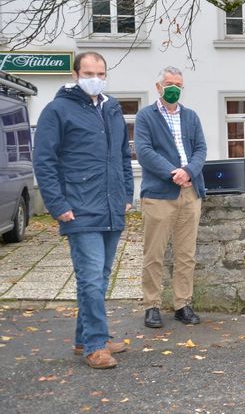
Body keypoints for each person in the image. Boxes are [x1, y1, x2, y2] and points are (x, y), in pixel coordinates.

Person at [33, 51, 134, 369]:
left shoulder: (112, 108)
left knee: (100, 278)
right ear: (76, 74)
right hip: (79, 208)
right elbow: (44, 161)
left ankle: (84, 337)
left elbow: (122, 156)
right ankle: (95, 345)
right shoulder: (57, 110)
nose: (96, 77)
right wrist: (57, 204)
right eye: (89, 72)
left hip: (110, 207)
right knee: (90, 278)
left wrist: (126, 194)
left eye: (101, 72)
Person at [135, 67, 207, 329]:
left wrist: (188, 171)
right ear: (158, 87)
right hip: (159, 195)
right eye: (169, 83)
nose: (174, 87)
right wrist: (172, 172)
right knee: (154, 254)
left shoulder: (191, 117)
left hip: (190, 193)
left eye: (178, 83)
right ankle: (151, 306)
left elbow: (200, 149)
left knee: (186, 254)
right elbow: (143, 151)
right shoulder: (146, 117)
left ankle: (182, 304)